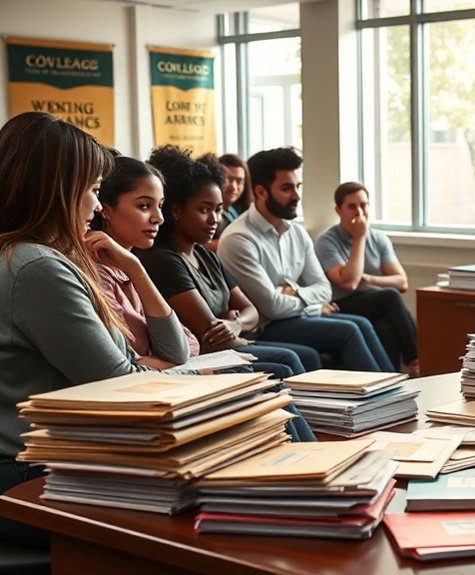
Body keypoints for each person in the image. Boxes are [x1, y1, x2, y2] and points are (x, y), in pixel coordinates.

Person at [0, 112, 152, 547]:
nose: (97, 206)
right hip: (30, 466)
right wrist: (197, 381)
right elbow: (121, 385)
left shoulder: (27, 256)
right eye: (92, 190)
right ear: (58, 191)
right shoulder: (35, 266)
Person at [142, 145, 317, 442]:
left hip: (228, 347)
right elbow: (209, 333)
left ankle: (310, 445)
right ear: (175, 211)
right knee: (286, 360)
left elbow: (250, 311)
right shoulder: (164, 259)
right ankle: (302, 450)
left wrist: (235, 323)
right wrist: (236, 325)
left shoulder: (205, 254)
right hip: (202, 360)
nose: (214, 219)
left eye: (219, 209)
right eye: (204, 209)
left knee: (293, 357)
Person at [217, 147, 395, 372]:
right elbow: (272, 308)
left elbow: (324, 290)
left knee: (361, 323)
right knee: (348, 331)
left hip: (290, 317)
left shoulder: (297, 232)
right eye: (286, 188)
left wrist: (292, 291)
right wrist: (313, 305)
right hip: (264, 327)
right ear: (261, 192)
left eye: (298, 186)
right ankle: (383, 405)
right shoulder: (239, 239)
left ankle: (398, 395)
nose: (297, 196)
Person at [92, 154, 198, 369]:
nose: (158, 217)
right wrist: (166, 363)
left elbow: (188, 344)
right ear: (106, 209)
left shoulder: (131, 265)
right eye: (144, 206)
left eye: (160, 205)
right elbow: (130, 359)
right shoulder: (97, 272)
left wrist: (135, 268)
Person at [315, 181, 419, 376]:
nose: (359, 211)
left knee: (386, 326)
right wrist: (359, 238)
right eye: (352, 206)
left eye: (363, 205)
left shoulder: (379, 238)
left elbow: (402, 282)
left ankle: (391, 380)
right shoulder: (327, 241)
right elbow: (349, 283)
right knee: (389, 296)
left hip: (373, 302)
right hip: (340, 303)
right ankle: (415, 358)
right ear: (338, 210)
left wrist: (370, 279)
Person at [208, 153, 251, 250]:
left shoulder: (234, 210)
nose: (233, 187)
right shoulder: (209, 213)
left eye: (239, 181)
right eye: (228, 179)